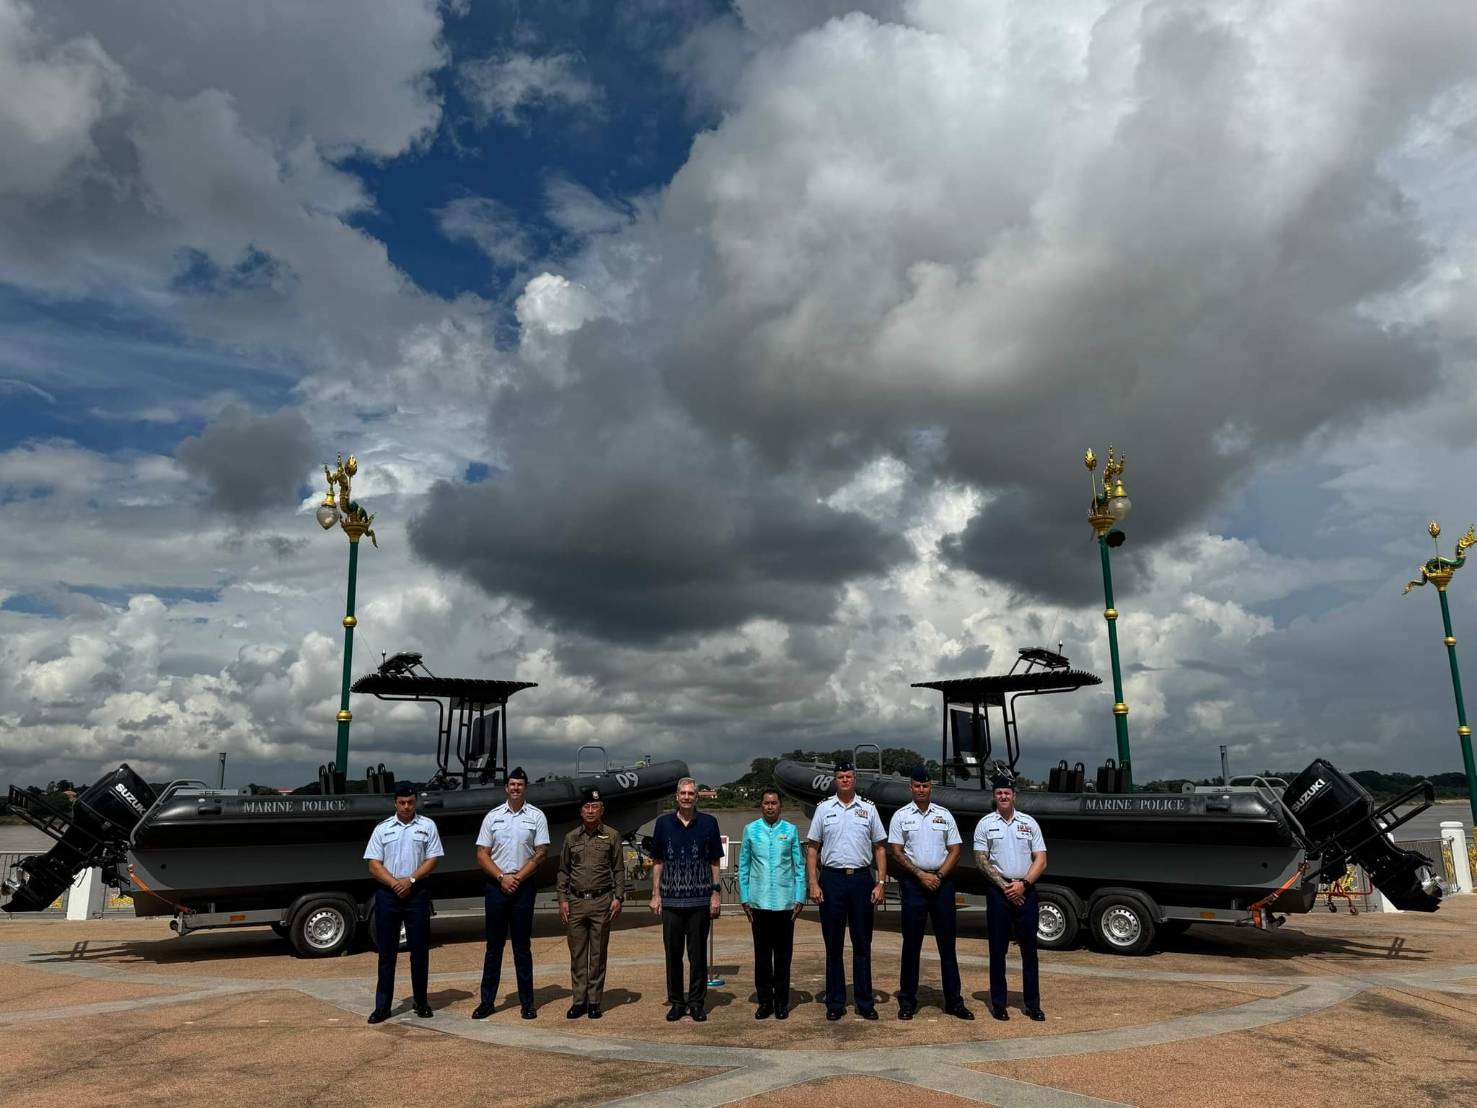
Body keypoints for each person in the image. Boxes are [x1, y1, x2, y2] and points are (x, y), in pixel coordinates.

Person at [888, 765, 971, 1020]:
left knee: (947, 945)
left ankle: (954, 1001)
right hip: (914, 884)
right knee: (911, 945)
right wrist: (921, 875)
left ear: (930, 787)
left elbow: (955, 849)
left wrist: (939, 876)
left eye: (925, 786)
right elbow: (896, 851)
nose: (921, 790)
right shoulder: (901, 816)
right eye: (917, 786)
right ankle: (907, 1000)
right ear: (911, 787)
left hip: (942, 884)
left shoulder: (944, 815)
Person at [805, 761, 887, 1020]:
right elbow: (812, 848)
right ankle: (835, 1002)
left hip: (861, 879)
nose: (845, 780)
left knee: (862, 944)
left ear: (855, 779)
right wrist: (813, 882)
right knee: (834, 946)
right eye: (840, 776)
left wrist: (881, 882)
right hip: (832, 879)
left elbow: (880, 848)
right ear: (835, 780)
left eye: (849, 776)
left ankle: (864, 1002)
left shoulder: (868, 809)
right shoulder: (823, 809)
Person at [472, 766, 550, 1020]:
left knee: (522, 946)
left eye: (520, 784)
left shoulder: (536, 816)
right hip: (497, 885)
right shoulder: (493, 816)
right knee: (493, 946)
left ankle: (527, 1003)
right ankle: (487, 1002)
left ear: (525, 788)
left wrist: (518, 877)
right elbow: (482, 854)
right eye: (512, 784)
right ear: (506, 788)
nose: (516, 788)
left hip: (523, 885)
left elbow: (541, 852)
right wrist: (501, 877)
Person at [363, 782, 444, 1024]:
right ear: (395, 803)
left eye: (410, 802)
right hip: (388, 893)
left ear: (415, 801)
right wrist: (394, 883)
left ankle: (421, 1001)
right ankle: (382, 1007)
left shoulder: (427, 826)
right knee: (387, 952)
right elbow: (373, 864)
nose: (406, 806)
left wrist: (410, 880)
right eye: (402, 802)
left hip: (416, 891)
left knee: (419, 950)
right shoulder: (382, 829)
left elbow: (433, 859)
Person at [972, 773, 1048, 1022]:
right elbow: (981, 859)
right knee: (997, 950)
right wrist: (1006, 887)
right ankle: (999, 1003)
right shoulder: (985, 824)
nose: (1003, 796)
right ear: (994, 796)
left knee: (1029, 951)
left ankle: (1032, 1004)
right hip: (999, 892)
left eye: (1007, 793)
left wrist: (1023, 885)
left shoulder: (1029, 823)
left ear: (1014, 795)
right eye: (999, 793)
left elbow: (1041, 859)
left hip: (1026, 890)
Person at [649, 777, 724, 1022]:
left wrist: (715, 893)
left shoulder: (709, 823)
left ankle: (696, 1002)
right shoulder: (663, 824)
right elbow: (657, 861)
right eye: (683, 793)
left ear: (697, 797)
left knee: (698, 955)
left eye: (691, 793)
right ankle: (677, 1002)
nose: (687, 797)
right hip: (671, 900)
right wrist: (655, 894)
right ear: (676, 796)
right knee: (673, 955)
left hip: (700, 900)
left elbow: (715, 861)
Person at [557, 787, 626, 1020]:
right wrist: (562, 900)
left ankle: (595, 1002)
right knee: (577, 955)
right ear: (580, 810)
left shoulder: (612, 836)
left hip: (601, 902)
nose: (590, 810)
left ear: (601, 809)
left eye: (594, 806)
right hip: (576, 902)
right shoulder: (571, 838)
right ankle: (579, 1001)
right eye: (586, 807)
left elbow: (618, 869)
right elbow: (563, 871)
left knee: (597, 955)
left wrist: (618, 897)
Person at [738, 788, 805, 1020]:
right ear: (761, 806)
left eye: (774, 803)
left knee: (784, 956)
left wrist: (800, 896)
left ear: (780, 806)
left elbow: (799, 866)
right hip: (759, 902)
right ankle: (765, 1001)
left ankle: (781, 1002)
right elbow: (744, 866)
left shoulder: (791, 830)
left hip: (786, 904)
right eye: (766, 803)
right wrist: (744, 898)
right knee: (762, 956)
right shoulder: (750, 830)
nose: (770, 807)